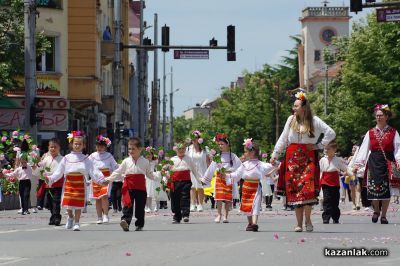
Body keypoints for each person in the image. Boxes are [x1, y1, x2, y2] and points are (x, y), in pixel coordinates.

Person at [270, 91, 336, 232]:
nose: (294, 108)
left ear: (304, 107)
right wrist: (275, 153)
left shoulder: (314, 120)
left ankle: (308, 220)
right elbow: (283, 137)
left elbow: (331, 132)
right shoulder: (290, 119)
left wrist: (318, 145)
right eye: (294, 106)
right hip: (292, 159)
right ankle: (299, 223)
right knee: (294, 191)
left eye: (296, 106)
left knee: (307, 191)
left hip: (308, 158)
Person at [45, 131, 105, 231]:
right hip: (69, 182)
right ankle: (71, 217)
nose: (77, 145)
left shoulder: (86, 158)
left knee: (78, 204)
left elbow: (93, 170)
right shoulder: (67, 158)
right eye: (75, 143)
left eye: (80, 144)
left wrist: (101, 179)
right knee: (68, 203)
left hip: (80, 183)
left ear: (83, 145)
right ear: (71, 144)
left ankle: (77, 222)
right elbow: (59, 172)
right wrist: (51, 178)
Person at [353, 104, 400, 224]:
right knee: (373, 187)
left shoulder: (393, 132)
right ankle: (376, 210)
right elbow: (364, 148)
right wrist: (358, 163)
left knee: (386, 189)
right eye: (377, 115)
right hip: (374, 161)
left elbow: (397, 148)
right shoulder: (370, 132)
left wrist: (398, 161)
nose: (378, 118)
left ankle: (383, 215)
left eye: (381, 115)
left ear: (386, 117)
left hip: (388, 162)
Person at [103, 137, 157, 232]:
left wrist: (159, 177)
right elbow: (118, 172)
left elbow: (150, 174)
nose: (131, 151)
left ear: (140, 149)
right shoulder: (126, 161)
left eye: (133, 149)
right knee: (127, 204)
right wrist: (108, 179)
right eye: (129, 149)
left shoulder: (145, 161)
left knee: (140, 207)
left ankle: (139, 224)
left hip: (140, 187)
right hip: (129, 186)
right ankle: (125, 222)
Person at [225, 139, 276, 231]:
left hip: (256, 186)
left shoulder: (260, 164)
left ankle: (255, 223)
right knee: (247, 205)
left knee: (256, 204)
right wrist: (226, 175)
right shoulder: (244, 165)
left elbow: (270, 166)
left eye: (246, 151)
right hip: (246, 187)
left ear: (252, 152)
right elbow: (236, 175)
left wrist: (273, 163)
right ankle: (250, 223)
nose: (244, 153)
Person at [201, 134, 241, 223]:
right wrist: (205, 179)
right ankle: (219, 214)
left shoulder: (233, 156)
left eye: (222, 144)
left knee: (227, 198)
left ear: (227, 144)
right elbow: (211, 168)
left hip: (228, 178)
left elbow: (240, 167)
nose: (220, 146)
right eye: (219, 144)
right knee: (218, 198)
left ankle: (225, 216)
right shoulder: (217, 156)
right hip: (219, 178)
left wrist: (234, 174)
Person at [166, 141, 202, 224]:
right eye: (179, 149)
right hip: (175, 182)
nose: (181, 150)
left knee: (185, 197)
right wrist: (166, 179)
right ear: (176, 150)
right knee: (175, 199)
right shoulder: (172, 159)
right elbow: (168, 171)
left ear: (185, 149)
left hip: (186, 181)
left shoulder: (189, 159)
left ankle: (185, 214)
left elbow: (194, 170)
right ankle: (177, 216)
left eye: (183, 148)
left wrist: (199, 179)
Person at [320, 141, 352, 224]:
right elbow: (319, 171)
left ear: (334, 150)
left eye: (328, 149)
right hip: (325, 181)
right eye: (325, 149)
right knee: (326, 199)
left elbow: (346, 169)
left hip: (335, 182)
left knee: (335, 201)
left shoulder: (338, 160)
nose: (326, 150)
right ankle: (326, 218)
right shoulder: (322, 160)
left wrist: (352, 174)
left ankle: (335, 217)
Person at [89, 135, 118, 224]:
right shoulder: (92, 156)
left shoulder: (109, 156)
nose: (100, 148)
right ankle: (99, 217)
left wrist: (117, 173)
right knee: (98, 198)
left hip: (106, 177)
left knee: (104, 196)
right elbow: (88, 167)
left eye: (102, 146)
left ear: (105, 147)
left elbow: (115, 166)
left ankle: (105, 214)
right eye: (98, 146)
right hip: (96, 178)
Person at [36, 138, 64, 225]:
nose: (53, 149)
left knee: (56, 201)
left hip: (57, 183)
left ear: (59, 148)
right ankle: (53, 216)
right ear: (48, 147)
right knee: (50, 202)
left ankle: (57, 217)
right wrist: (36, 166)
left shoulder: (62, 159)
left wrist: (49, 174)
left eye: (55, 147)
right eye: (51, 147)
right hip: (48, 184)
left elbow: (60, 172)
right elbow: (40, 168)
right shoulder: (46, 158)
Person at [186, 130, 210, 212]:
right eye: (192, 138)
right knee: (192, 187)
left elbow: (208, 161)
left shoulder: (205, 149)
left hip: (202, 169)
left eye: (195, 138)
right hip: (191, 170)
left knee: (200, 188)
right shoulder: (188, 148)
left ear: (199, 139)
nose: (194, 140)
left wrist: (209, 171)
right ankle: (192, 204)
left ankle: (200, 204)